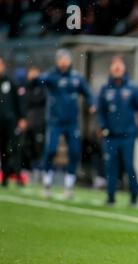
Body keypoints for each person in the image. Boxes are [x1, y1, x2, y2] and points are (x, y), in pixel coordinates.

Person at [39, 49, 95, 199]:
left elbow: (88, 92)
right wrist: (36, 79)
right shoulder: (52, 76)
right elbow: (40, 80)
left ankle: (69, 185)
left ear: (70, 61)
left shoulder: (76, 77)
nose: (63, 62)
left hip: (71, 122)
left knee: (75, 152)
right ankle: (47, 182)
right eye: (61, 59)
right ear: (57, 61)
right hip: (55, 121)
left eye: (66, 59)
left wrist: (92, 103)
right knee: (50, 151)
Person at [96, 55, 138, 207]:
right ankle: (111, 196)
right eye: (114, 65)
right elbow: (101, 111)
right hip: (111, 135)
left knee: (128, 165)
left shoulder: (132, 88)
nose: (117, 68)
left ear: (124, 68)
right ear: (110, 69)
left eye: (119, 65)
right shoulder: (105, 89)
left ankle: (133, 197)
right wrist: (103, 126)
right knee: (110, 166)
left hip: (128, 134)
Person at [0, 56, 27, 187]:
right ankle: (4, 178)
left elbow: (20, 102)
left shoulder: (11, 82)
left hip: (11, 122)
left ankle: (18, 177)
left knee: (15, 149)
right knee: (3, 151)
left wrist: (22, 118)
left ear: (3, 66)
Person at [23, 66, 47, 175]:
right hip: (27, 122)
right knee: (27, 145)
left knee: (39, 145)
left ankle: (39, 168)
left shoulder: (43, 87)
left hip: (39, 122)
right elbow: (24, 101)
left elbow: (37, 99)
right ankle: (27, 168)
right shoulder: (25, 87)